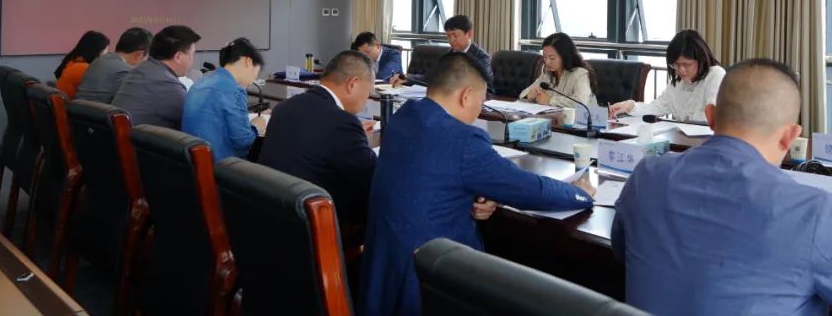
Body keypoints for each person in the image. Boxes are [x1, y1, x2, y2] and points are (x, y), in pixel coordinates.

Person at [611, 59, 832, 316]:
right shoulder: (810, 212)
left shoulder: (647, 176)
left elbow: (622, 251)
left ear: (710, 117)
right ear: (791, 137)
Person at [360, 53, 595, 316]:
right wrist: (579, 193)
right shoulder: (463, 140)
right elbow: (529, 189)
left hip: (382, 272)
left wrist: (478, 189)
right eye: (481, 102)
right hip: (428, 279)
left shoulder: (404, 116)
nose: (479, 110)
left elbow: (427, 175)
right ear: (466, 95)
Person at [258, 50, 378, 246]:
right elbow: (370, 178)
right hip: (314, 229)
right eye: (368, 94)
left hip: (273, 215)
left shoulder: (285, 107)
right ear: (353, 84)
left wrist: (355, 140)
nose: (366, 100)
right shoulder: (342, 123)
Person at [609, 29, 725, 122]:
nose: (681, 70)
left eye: (686, 64)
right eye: (676, 65)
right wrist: (630, 106)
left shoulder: (715, 75)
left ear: (701, 59)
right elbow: (656, 107)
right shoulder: (677, 83)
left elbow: (715, 116)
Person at [181, 38, 268, 161]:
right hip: (220, 165)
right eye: (257, 71)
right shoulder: (233, 90)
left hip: (192, 161)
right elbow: (244, 141)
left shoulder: (201, 82)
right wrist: (256, 126)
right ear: (248, 61)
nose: (254, 78)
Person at [112, 25, 201, 129]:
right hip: (135, 139)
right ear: (178, 57)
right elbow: (199, 119)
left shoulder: (142, 69)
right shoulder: (167, 85)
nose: (192, 60)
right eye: (192, 55)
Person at [76, 27, 153, 103]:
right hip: (101, 111)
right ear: (139, 54)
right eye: (147, 57)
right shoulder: (125, 72)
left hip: (80, 110)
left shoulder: (99, 60)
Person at [519, 32, 596, 107]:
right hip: (555, 115)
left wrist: (550, 100)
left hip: (585, 115)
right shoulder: (547, 73)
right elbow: (522, 94)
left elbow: (582, 102)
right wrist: (529, 95)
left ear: (565, 57)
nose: (547, 62)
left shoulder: (580, 74)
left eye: (552, 58)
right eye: (545, 56)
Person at [55, 30, 110, 100]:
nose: (106, 56)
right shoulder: (84, 69)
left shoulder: (73, 61)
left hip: (65, 104)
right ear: (96, 51)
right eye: (105, 52)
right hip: (70, 106)